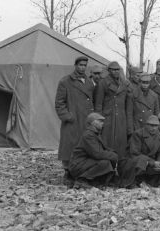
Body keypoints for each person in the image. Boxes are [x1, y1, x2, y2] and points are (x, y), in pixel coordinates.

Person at [55, 55, 96, 185]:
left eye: (85, 65)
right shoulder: (65, 81)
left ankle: (81, 172)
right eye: (80, 65)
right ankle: (67, 173)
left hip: (86, 121)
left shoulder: (89, 83)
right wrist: (68, 116)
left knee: (83, 146)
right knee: (70, 146)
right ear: (75, 65)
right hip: (73, 121)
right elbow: (59, 103)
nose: (82, 68)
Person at [118, 114, 160, 189]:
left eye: (155, 126)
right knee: (141, 161)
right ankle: (134, 180)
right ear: (146, 125)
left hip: (148, 163)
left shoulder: (159, 136)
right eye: (151, 125)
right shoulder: (138, 134)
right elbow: (134, 153)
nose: (153, 128)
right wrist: (152, 162)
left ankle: (149, 180)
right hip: (132, 162)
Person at [68, 112, 118, 189]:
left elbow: (103, 149)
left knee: (108, 161)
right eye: (100, 121)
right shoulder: (89, 135)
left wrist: (113, 153)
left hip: (83, 163)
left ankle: (93, 181)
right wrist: (113, 155)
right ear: (93, 123)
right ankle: (82, 180)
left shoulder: (94, 134)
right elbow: (97, 153)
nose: (103, 123)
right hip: (78, 166)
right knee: (105, 163)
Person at [94, 61, 133, 158]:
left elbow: (127, 105)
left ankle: (120, 167)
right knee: (107, 143)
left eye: (117, 69)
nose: (116, 72)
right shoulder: (103, 83)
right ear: (109, 70)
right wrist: (99, 121)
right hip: (107, 118)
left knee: (121, 144)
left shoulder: (124, 84)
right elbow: (98, 104)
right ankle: (108, 167)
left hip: (121, 119)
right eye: (113, 70)